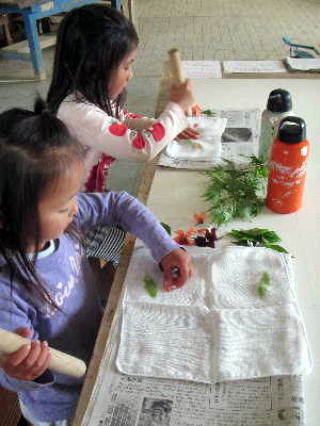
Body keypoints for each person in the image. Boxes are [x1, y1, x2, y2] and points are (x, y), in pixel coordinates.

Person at [0, 101, 193, 425]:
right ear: (7, 216)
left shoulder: (62, 219)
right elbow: (13, 375)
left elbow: (119, 204)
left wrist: (165, 247)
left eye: (75, 195)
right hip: (64, 405)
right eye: (62, 206)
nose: (75, 209)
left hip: (99, 347)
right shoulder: (7, 288)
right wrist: (21, 370)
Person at [46, 3, 198, 263]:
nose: (131, 75)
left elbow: (123, 119)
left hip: (93, 200)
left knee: (145, 234)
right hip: (71, 217)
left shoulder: (90, 97)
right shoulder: (77, 112)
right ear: (97, 67)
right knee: (137, 260)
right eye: (126, 66)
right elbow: (140, 148)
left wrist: (164, 125)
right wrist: (174, 110)